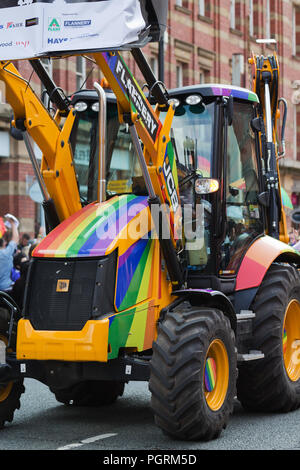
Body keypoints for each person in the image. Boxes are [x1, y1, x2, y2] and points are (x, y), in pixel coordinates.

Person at [0, 215, 19, 292]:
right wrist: (13, 223)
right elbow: (15, 239)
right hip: (6, 289)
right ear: (4, 243)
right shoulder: (6, 253)